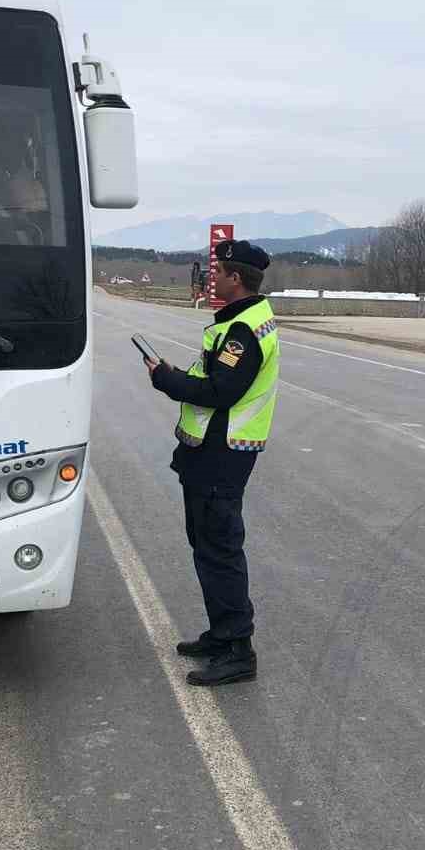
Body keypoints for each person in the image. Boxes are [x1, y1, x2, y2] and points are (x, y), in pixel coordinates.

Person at [142, 240, 281, 686]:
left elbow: (221, 392)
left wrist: (166, 380)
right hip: (209, 452)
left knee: (219, 550)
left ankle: (238, 649)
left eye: (217, 271)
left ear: (235, 278)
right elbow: (211, 379)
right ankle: (222, 636)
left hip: (223, 454)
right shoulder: (236, 323)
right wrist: (177, 375)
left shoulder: (244, 331)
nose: (210, 277)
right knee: (206, 546)